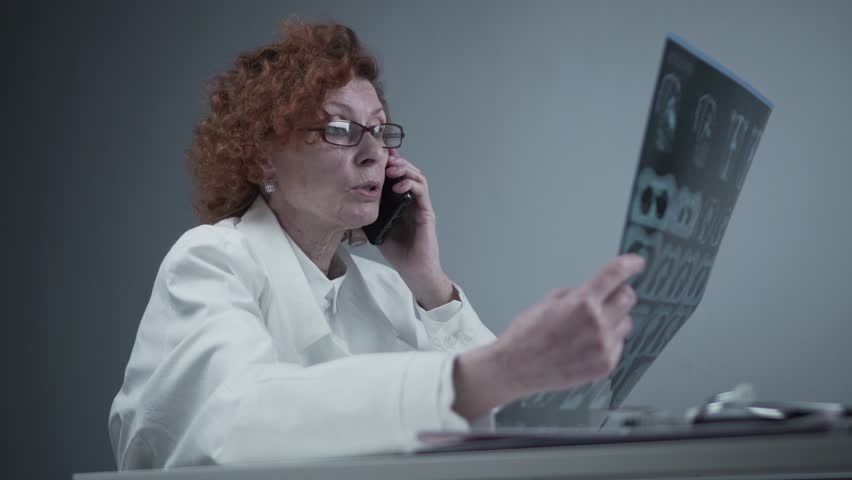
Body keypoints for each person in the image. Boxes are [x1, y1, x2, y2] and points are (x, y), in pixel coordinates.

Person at [109, 20, 644, 469]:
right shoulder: (210, 261)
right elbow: (234, 424)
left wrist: (430, 284)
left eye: (381, 131)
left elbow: (508, 434)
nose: (373, 155)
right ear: (261, 159)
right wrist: (490, 372)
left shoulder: (388, 290)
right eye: (340, 130)